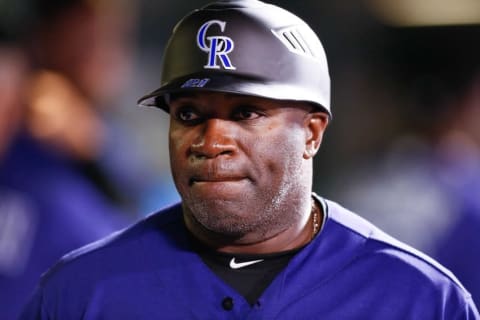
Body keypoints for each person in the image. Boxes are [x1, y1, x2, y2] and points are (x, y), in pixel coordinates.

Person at [20, 1, 479, 319]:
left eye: (245, 113)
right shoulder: (79, 290)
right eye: (189, 114)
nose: (212, 139)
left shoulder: (420, 298)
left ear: (312, 133)